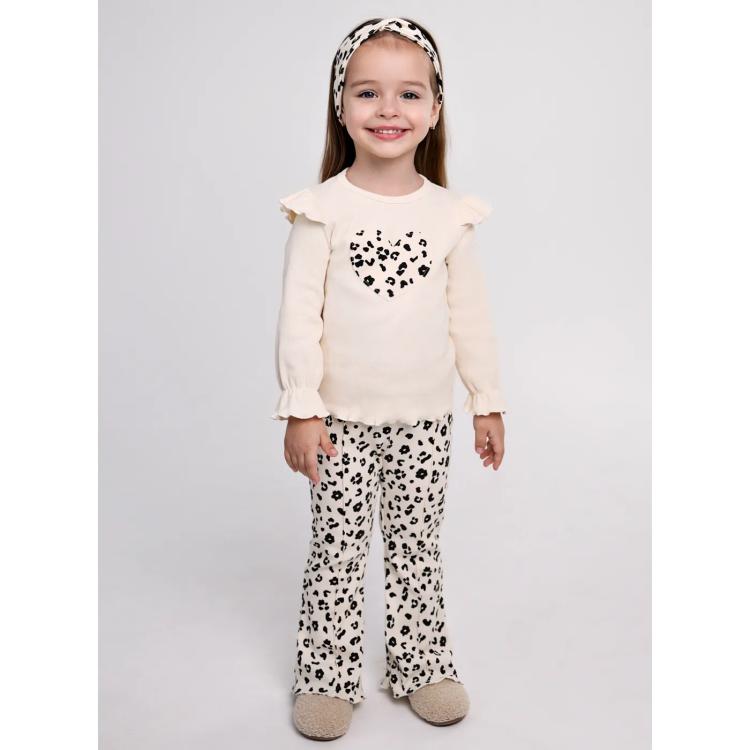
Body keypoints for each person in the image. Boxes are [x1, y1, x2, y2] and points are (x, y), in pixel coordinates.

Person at [271, 16, 507, 740]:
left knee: (417, 547)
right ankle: (327, 675)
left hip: (424, 422)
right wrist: (301, 407)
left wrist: (486, 401)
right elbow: (299, 318)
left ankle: (422, 663)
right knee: (337, 552)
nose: (388, 110)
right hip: (337, 423)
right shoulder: (320, 211)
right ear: (340, 105)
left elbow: (470, 318)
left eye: (409, 94)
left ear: (434, 109)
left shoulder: (450, 216)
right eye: (368, 92)